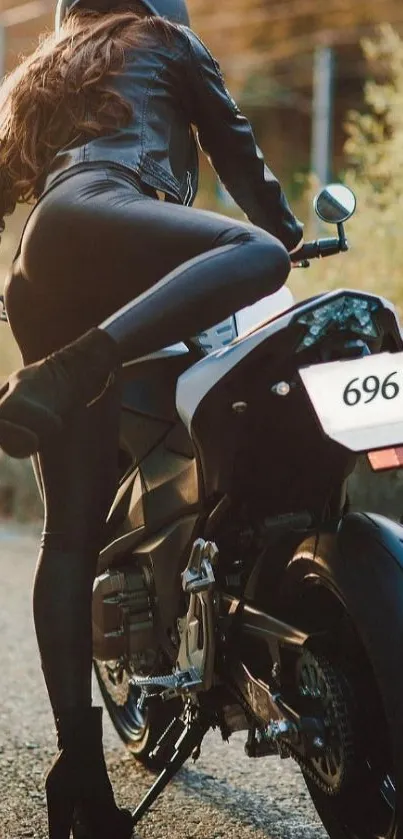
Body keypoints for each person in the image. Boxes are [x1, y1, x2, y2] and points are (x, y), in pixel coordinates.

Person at [0, 0, 304, 836]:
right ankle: (71, 372)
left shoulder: (35, 78)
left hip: (47, 262)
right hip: (110, 224)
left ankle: (80, 776)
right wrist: (286, 229)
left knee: (69, 533)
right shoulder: (166, 39)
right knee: (254, 253)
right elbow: (241, 160)